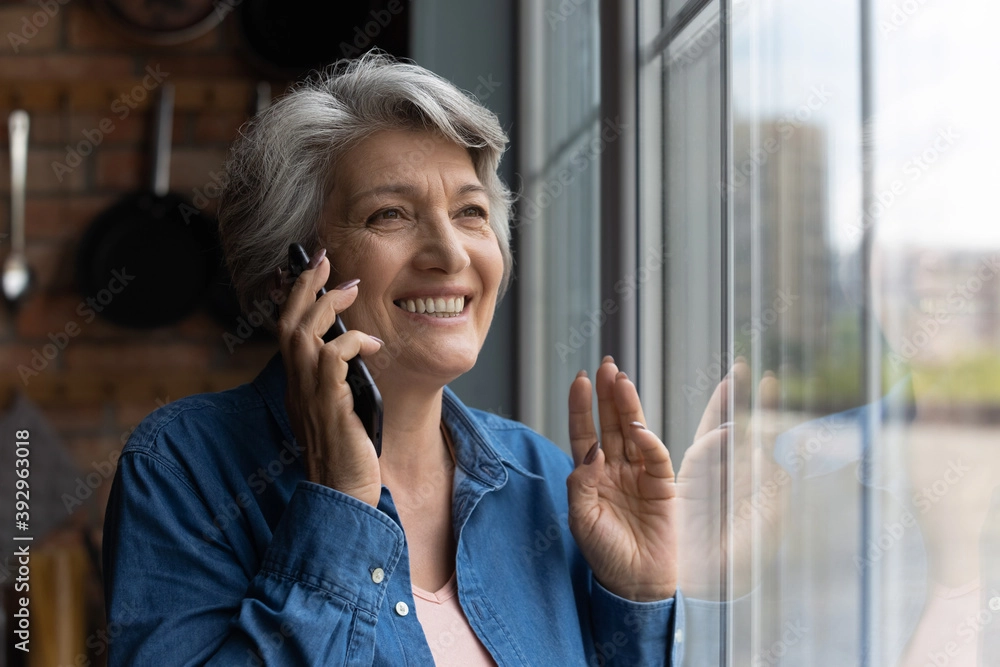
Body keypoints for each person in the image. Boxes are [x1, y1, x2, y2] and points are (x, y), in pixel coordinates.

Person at [102, 52, 686, 665]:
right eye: (391, 215)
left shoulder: (545, 478)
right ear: (290, 275)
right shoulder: (182, 467)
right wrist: (340, 503)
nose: (450, 253)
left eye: (470, 213)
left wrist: (637, 596)